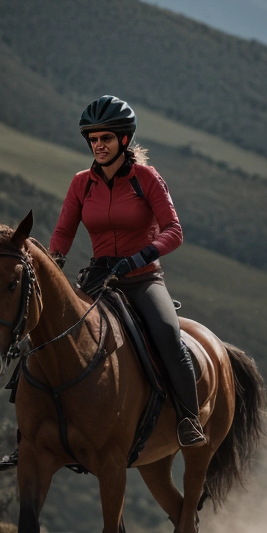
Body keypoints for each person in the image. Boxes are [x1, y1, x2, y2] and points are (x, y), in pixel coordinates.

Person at [49, 95, 206, 448]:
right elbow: (63, 232)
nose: (98, 145)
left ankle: (189, 419)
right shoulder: (80, 183)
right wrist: (52, 261)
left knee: (167, 335)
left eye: (105, 138)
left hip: (143, 278)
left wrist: (139, 258)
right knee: (48, 332)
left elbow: (174, 231)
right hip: (98, 278)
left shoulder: (146, 178)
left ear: (123, 140)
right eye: (93, 139)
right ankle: (32, 427)